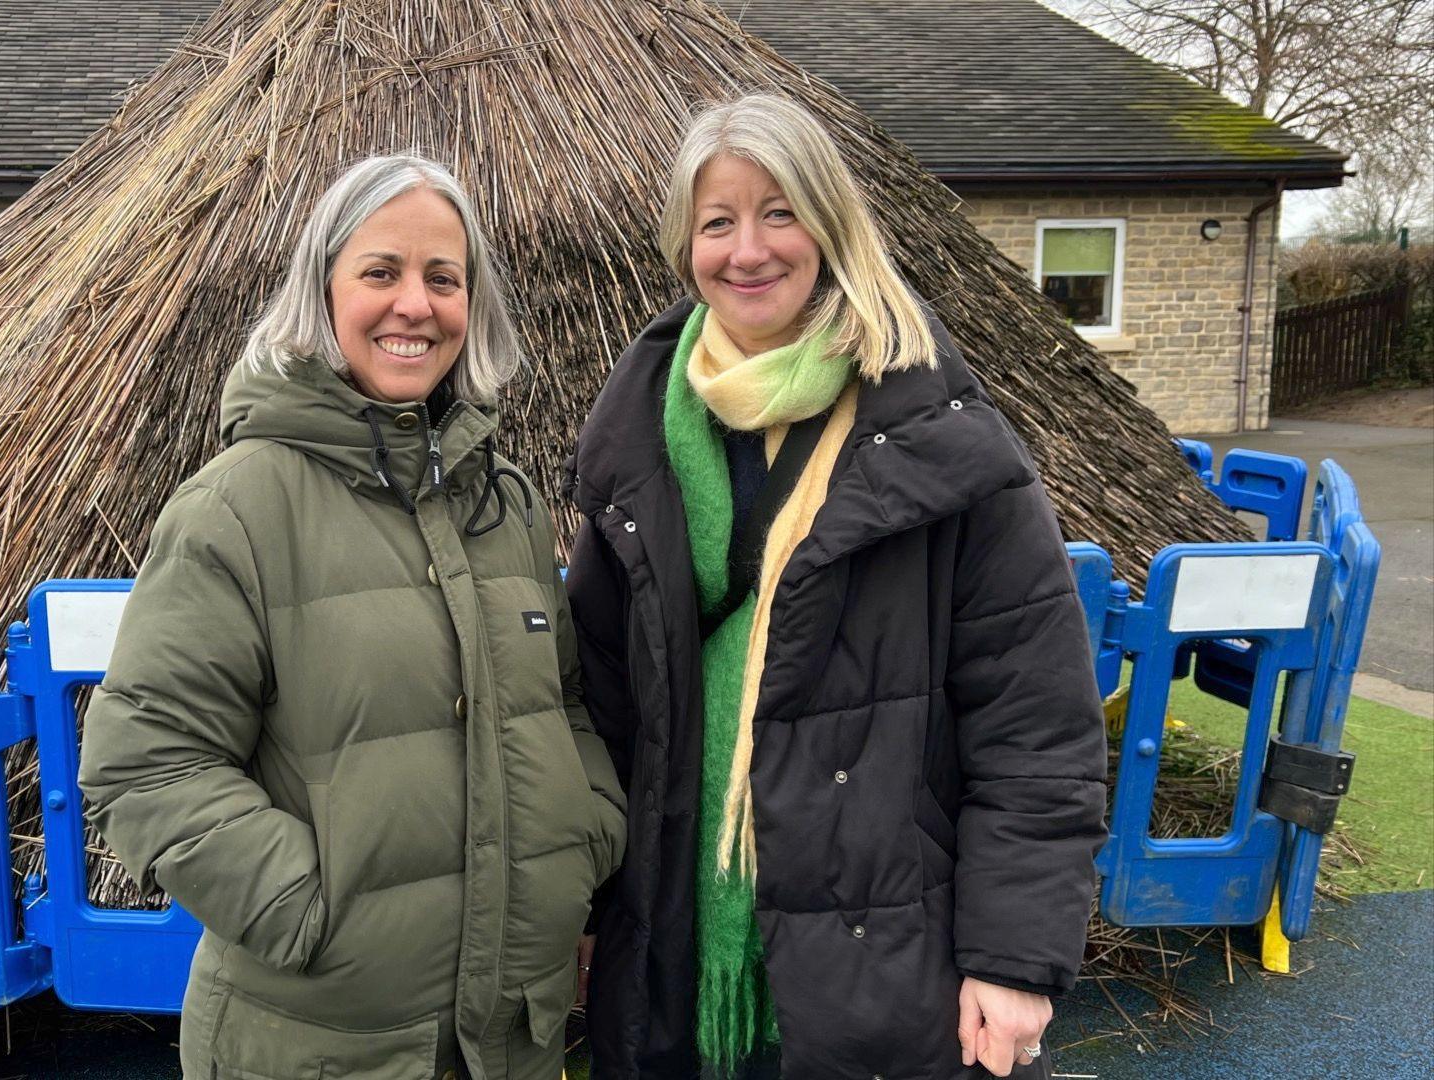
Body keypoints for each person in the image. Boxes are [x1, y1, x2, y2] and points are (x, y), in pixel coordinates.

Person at [566, 95, 1107, 1080]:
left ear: (831, 221)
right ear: (684, 242)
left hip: (884, 960)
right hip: (674, 956)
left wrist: (1013, 958)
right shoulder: (638, 437)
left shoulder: (941, 435)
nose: (748, 249)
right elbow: (597, 714)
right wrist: (590, 912)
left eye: (780, 211)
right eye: (716, 221)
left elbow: (1035, 725)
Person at [78, 154, 627, 1080]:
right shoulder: (237, 509)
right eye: (381, 272)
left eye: (443, 279)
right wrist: (309, 906)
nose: (415, 305)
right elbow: (145, 764)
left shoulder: (511, 505)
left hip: (507, 1044)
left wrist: (583, 843)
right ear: (322, 291)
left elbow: (562, 707)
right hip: (317, 1048)